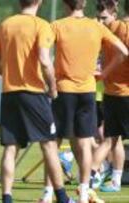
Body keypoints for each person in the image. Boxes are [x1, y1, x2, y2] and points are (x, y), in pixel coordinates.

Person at [0, 1, 74, 203]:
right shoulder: (41, 25)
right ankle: (62, 197)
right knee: (48, 145)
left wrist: (12, 74)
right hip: (33, 93)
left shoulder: (5, 24)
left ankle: (7, 198)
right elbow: (45, 61)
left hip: (10, 93)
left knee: (11, 147)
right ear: (39, 2)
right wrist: (52, 87)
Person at [50, 0, 128, 202]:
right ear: (84, 4)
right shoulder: (98, 27)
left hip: (66, 90)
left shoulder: (58, 25)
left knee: (55, 143)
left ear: (66, 5)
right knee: (90, 141)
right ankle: (86, 191)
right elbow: (123, 52)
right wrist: (103, 74)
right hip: (90, 90)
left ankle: (48, 193)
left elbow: (41, 53)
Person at [91, 0, 129, 193]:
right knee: (110, 140)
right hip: (121, 93)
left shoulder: (103, 31)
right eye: (100, 17)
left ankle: (111, 179)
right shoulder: (118, 29)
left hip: (112, 92)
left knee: (112, 140)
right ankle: (91, 174)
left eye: (103, 17)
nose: (101, 20)